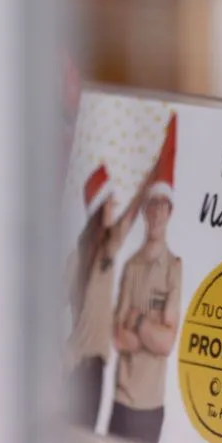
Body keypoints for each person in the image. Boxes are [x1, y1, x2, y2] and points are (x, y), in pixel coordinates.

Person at [110, 117, 181, 443]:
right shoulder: (131, 266)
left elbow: (167, 344)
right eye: (151, 206)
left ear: (170, 212)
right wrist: (152, 330)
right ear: (144, 212)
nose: (156, 214)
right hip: (121, 401)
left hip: (150, 406)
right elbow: (118, 338)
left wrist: (136, 321)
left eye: (162, 207)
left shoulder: (174, 269)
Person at [66, 162, 152, 428]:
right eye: (110, 202)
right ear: (99, 206)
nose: (114, 207)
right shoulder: (81, 257)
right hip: (78, 368)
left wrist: (149, 180)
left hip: (95, 369)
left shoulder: (107, 251)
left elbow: (130, 215)